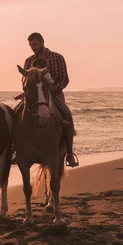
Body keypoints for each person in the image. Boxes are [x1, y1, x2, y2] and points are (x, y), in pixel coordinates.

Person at [23, 32, 79, 167]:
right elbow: (25, 81)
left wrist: (52, 89)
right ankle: (16, 150)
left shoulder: (57, 58)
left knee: (66, 113)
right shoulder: (28, 61)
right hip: (34, 98)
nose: (33, 48)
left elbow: (64, 79)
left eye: (35, 44)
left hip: (55, 96)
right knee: (16, 115)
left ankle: (70, 153)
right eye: (31, 46)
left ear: (42, 42)